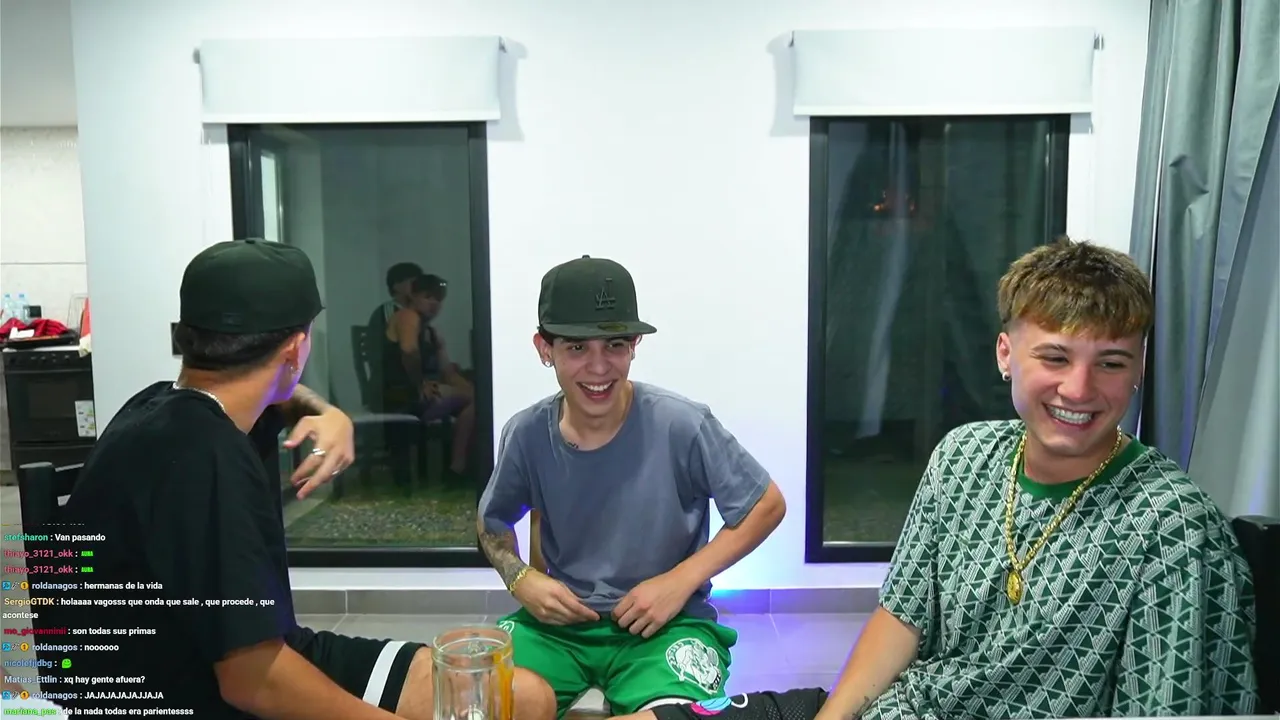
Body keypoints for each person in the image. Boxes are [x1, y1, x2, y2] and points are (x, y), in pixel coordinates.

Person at [612, 237, 1260, 720]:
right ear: (1006, 354)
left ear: (1139, 367)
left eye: (1111, 363)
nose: (1079, 388)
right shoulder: (964, 457)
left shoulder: (1175, 529)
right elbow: (902, 619)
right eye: (1055, 357)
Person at [56, 240, 555, 720]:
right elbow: (251, 680)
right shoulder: (209, 460)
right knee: (498, 702)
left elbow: (282, 397)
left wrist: (326, 411)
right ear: (296, 349)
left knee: (521, 697)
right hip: (194, 691)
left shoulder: (160, 407)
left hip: (224, 655)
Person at [477, 255, 788, 717]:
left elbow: (766, 505)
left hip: (668, 626)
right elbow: (492, 523)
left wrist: (680, 581)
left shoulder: (681, 424)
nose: (598, 367)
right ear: (545, 348)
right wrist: (520, 578)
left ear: (635, 345)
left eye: (615, 345)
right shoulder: (526, 434)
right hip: (559, 629)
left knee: (673, 715)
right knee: (478, 699)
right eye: (576, 348)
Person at [383, 272, 475, 478]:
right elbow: (409, 351)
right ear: (413, 296)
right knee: (473, 402)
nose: (434, 303)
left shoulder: (433, 333)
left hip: (420, 395)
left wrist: (472, 390)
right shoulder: (407, 316)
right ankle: (457, 469)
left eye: (438, 299)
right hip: (398, 395)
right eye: (428, 297)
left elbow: (447, 372)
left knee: (477, 401)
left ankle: (459, 468)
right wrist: (420, 384)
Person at [368, 261, 423, 331]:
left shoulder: (418, 311)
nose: (417, 287)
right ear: (396, 285)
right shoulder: (387, 311)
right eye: (412, 282)